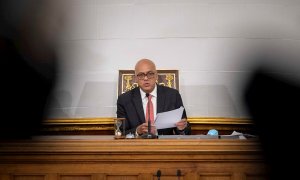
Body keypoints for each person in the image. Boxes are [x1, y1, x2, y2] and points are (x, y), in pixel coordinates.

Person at [117, 59, 191, 136]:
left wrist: (182, 128)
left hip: (165, 145)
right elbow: (120, 132)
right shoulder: (124, 100)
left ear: (156, 76)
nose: (146, 78)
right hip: (138, 146)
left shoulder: (172, 95)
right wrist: (137, 131)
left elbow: (186, 129)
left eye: (150, 74)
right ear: (135, 78)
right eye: (141, 75)